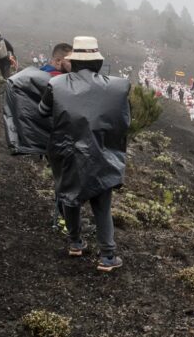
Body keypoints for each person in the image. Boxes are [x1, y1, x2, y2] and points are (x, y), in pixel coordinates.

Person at [38, 36, 129, 271]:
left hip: (66, 152)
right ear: (97, 61)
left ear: (73, 61)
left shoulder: (56, 85)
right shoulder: (116, 87)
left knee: (70, 197)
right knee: (102, 204)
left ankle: (75, 243)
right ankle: (107, 256)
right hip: (101, 154)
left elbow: (42, 111)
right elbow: (122, 121)